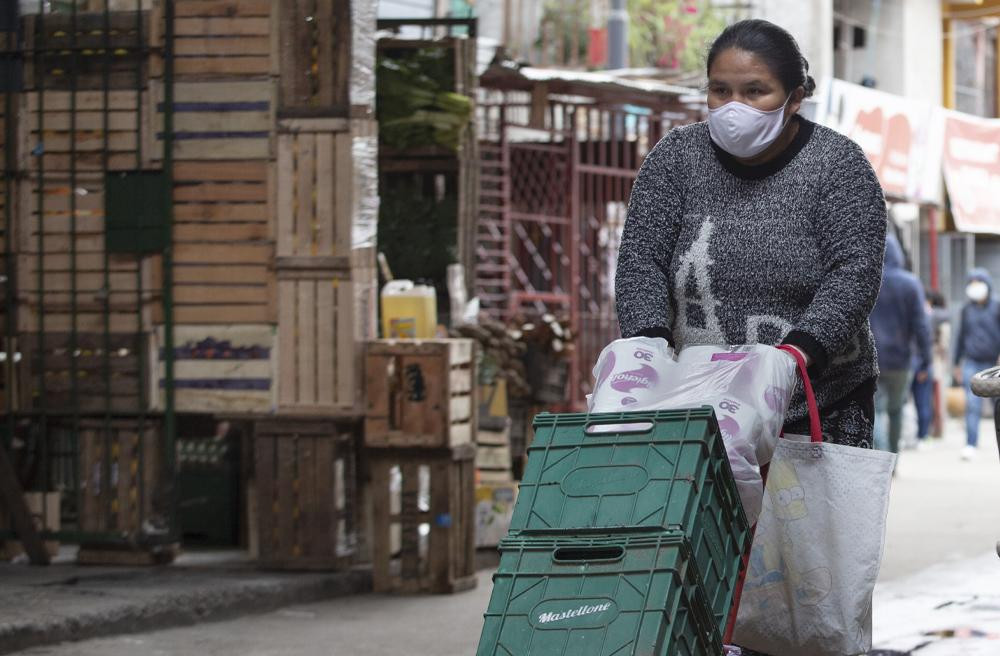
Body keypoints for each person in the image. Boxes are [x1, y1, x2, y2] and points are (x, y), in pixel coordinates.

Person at [616, 19, 886, 453]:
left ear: (795, 98)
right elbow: (641, 259)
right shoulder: (675, 159)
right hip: (695, 404)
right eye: (720, 91)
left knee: (801, 522)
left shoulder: (838, 165)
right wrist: (649, 342)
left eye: (755, 92)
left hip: (818, 402)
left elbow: (854, 272)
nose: (732, 107)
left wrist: (796, 354)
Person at [869, 234, 931, 456]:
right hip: (901, 360)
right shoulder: (910, 284)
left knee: (875, 410)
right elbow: (921, 326)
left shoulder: (867, 279)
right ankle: (893, 456)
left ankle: (883, 455)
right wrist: (926, 360)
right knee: (896, 410)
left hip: (871, 359)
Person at [952, 269, 1000, 460]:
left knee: (997, 405)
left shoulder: (997, 307)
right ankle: (971, 443)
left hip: (994, 365)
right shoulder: (966, 310)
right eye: (971, 282)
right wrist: (956, 363)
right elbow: (960, 337)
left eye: (978, 282)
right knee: (972, 404)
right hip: (971, 363)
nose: (974, 286)